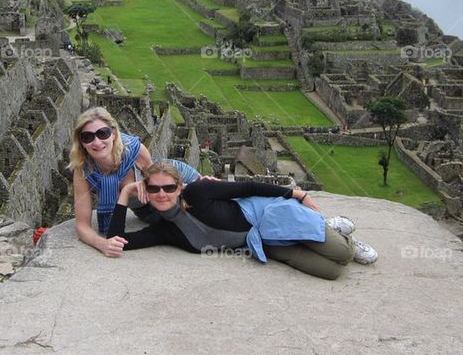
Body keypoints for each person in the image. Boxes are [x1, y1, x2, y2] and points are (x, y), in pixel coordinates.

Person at [104, 162, 379, 280]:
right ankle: (325, 229)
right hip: (260, 242)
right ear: (146, 193)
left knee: (342, 254)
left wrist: (295, 193)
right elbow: (116, 241)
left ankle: (335, 229)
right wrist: (125, 193)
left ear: (179, 187)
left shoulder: (199, 192)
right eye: (153, 189)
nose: (161, 194)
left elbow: (246, 188)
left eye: (168, 188)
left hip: (268, 215)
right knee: (332, 272)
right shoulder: (164, 230)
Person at [69, 107, 200, 255]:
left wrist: (201, 187)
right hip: (148, 211)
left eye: (102, 133)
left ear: (113, 133)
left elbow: (160, 182)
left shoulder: (134, 150)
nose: (97, 142)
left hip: (177, 180)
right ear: (81, 142)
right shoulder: (83, 171)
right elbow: (82, 225)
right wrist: (102, 244)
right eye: (88, 137)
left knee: (212, 207)